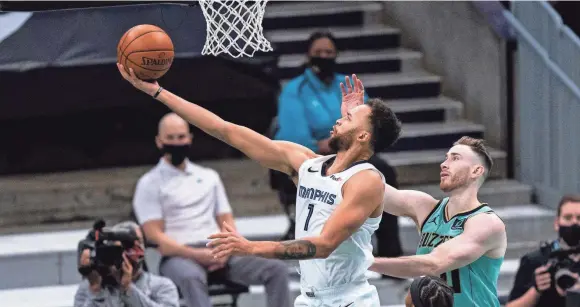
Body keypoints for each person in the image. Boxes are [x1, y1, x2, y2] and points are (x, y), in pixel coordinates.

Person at [118, 62, 401, 307]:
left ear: (363, 137)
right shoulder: (305, 163)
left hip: (348, 300)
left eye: (348, 117)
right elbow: (223, 129)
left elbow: (324, 245)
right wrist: (158, 92)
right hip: (310, 298)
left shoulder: (366, 180)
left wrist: (250, 248)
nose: (338, 117)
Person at [132, 113, 292, 307]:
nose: (176, 142)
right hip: (179, 255)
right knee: (191, 277)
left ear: (190, 138)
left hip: (219, 249)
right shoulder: (149, 183)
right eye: (170, 138)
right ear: (159, 141)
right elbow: (155, 237)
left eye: (181, 137)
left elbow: (227, 221)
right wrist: (196, 255)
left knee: (276, 269)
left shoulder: (209, 177)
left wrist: (226, 250)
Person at [273, 30, 404, 261]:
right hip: (316, 155)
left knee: (385, 171)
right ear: (308, 55)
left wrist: (351, 140)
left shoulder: (347, 86)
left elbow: (371, 126)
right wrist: (331, 143)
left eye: (329, 52)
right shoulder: (295, 89)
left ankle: (389, 253)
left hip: (352, 151)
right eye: (318, 52)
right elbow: (295, 135)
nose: (324, 56)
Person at [369, 136, 507, 307]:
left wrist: (367, 263)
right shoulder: (426, 207)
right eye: (446, 157)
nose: (444, 164)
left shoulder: (486, 223)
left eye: (455, 158)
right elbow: (372, 189)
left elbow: (434, 264)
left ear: (476, 171)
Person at [74, 221, 179, 307]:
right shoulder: (89, 287)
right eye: (123, 246)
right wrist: (96, 291)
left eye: (137, 243)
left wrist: (128, 288)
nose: (131, 251)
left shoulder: (162, 286)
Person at [506, 195, 580, 307]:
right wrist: (536, 290)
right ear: (557, 223)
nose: (574, 223)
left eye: (579, 218)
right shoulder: (535, 260)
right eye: (568, 217)